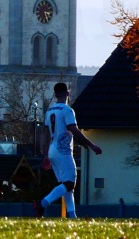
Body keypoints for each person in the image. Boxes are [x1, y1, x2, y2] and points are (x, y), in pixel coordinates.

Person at [35, 82, 102, 218]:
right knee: (70, 183)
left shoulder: (49, 111)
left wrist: (46, 155)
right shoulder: (67, 110)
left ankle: (72, 215)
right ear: (67, 93)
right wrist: (91, 145)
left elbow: (47, 134)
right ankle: (42, 203)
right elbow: (74, 130)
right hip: (63, 151)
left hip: (52, 150)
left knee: (65, 186)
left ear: (55, 94)